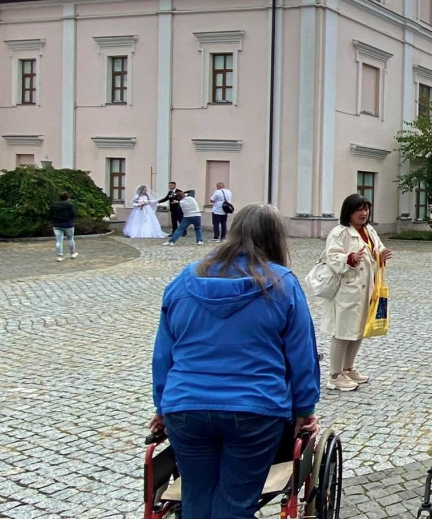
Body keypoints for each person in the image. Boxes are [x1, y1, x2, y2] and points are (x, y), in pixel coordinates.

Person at [149, 203, 321, 519]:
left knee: (196, 500)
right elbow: (302, 355)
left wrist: (161, 407)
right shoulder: (282, 283)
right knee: (235, 504)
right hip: (254, 407)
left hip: (186, 407)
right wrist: (305, 410)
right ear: (275, 239)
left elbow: (163, 355)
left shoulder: (184, 281)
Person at [320, 194, 392, 391]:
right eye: (359, 210)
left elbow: (375, 251)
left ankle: (348, 368)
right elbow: (333, 259)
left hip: (366, 289)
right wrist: (350, 258)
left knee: (358, 330)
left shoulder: (369, 230)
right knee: (342, 332)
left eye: (366, 209)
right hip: (346, 290)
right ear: (348, 213)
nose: (364, 213)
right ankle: (335, 375)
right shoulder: (339, 233)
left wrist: (381, 255)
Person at [50, 192, 78, 262]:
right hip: (68, 224)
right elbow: (73, 214)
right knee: (70, 239)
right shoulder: (69, 205)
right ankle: (72, 253)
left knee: (59, 241)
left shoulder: (54, 205)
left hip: (57, 224)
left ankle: (59, 256)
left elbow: (51, 214)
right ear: (68, 198)